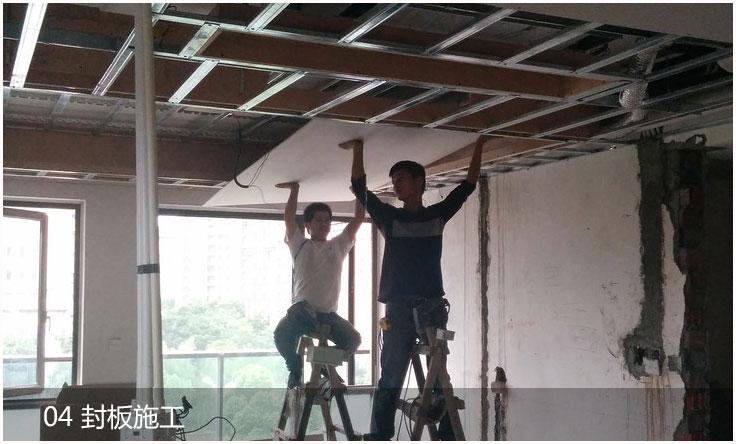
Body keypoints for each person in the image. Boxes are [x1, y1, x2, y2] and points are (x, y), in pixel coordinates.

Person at [340, 135, 487, 440]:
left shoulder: (436, 216)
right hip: (399, 309)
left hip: (432, 307)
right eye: (393, 181)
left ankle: (448, 436)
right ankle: (380, 436)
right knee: (391, 377)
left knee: (439, 378)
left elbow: (467, 187)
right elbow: (359, 188)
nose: (396, 185)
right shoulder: (389, 217)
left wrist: (480, 145)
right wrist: (358, 149)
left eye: (401, 179)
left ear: (420, 182)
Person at [273, 182, 366, 389]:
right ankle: (295, 367)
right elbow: (289, 218)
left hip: (327, 315)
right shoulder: (300, 245)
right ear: (308, 224)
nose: (324, 224)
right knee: (280, 335)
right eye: (318, 220)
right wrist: (295, 189)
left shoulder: (338, 245)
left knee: (353, 341)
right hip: (302, 312)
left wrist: (359, 193)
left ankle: (323, 363)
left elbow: (358, 219)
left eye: (327, 220)